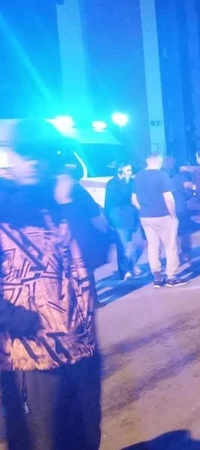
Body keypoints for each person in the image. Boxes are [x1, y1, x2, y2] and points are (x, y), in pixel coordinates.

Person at [0, 118, 101, 450]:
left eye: (39, 154)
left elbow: (96, 252)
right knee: (40, 441)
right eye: (24, 154)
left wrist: (68, 204)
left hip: (81, 345)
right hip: (29, 355)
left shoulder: (64, 198)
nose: (32, 162)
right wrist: (18, 320)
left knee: (85, 436)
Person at [132, 154, 188, 288]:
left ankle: (157, 278)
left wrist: (145, 210)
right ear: (160, 162)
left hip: (146, 217)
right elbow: (168, 198)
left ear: (147, 161)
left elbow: (134, 199)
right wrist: (173, 216)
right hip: (163, 215)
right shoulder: (162, 176)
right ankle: (171, 277)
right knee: (170, 246)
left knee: (153, 246)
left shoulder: (138, 177)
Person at [105, 164, 143, 280]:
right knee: (123, 246)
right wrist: (110, 220)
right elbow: (110, 203)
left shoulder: (131, 182)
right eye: (128, 170)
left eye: (131, 169)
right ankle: (124, 270)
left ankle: (132, 264)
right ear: (120, 172)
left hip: (132, 216)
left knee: (139, 243)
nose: (130, 172)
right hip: (119, 218)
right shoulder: (112, 184)